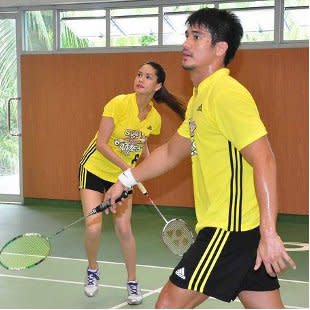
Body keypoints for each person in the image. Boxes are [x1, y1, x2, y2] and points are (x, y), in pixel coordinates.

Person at [104, 8, 296, 309]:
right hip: (238, 230)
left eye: (197, 37)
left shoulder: (225, 93)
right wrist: (124, 179)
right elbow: (170, 152)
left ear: (220, 49)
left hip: (228, 228)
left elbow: (265, 159)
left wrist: (269, 233)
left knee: (167, 305)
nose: (186, 43)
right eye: (186, 35)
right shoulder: (199, 99)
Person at [78, 61, 185, 304]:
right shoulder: (118, 103)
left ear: (157, 86)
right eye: (139, 74)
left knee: (124, 229)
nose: (140, 79)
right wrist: (132, 171)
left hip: (122, 178)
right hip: (94, 169)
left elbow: (142, 143)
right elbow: (102, 144)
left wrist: (145, 167)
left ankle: (132, 282)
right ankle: (92, 270)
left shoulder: (155, 119)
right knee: (93, 226)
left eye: (148, 77)